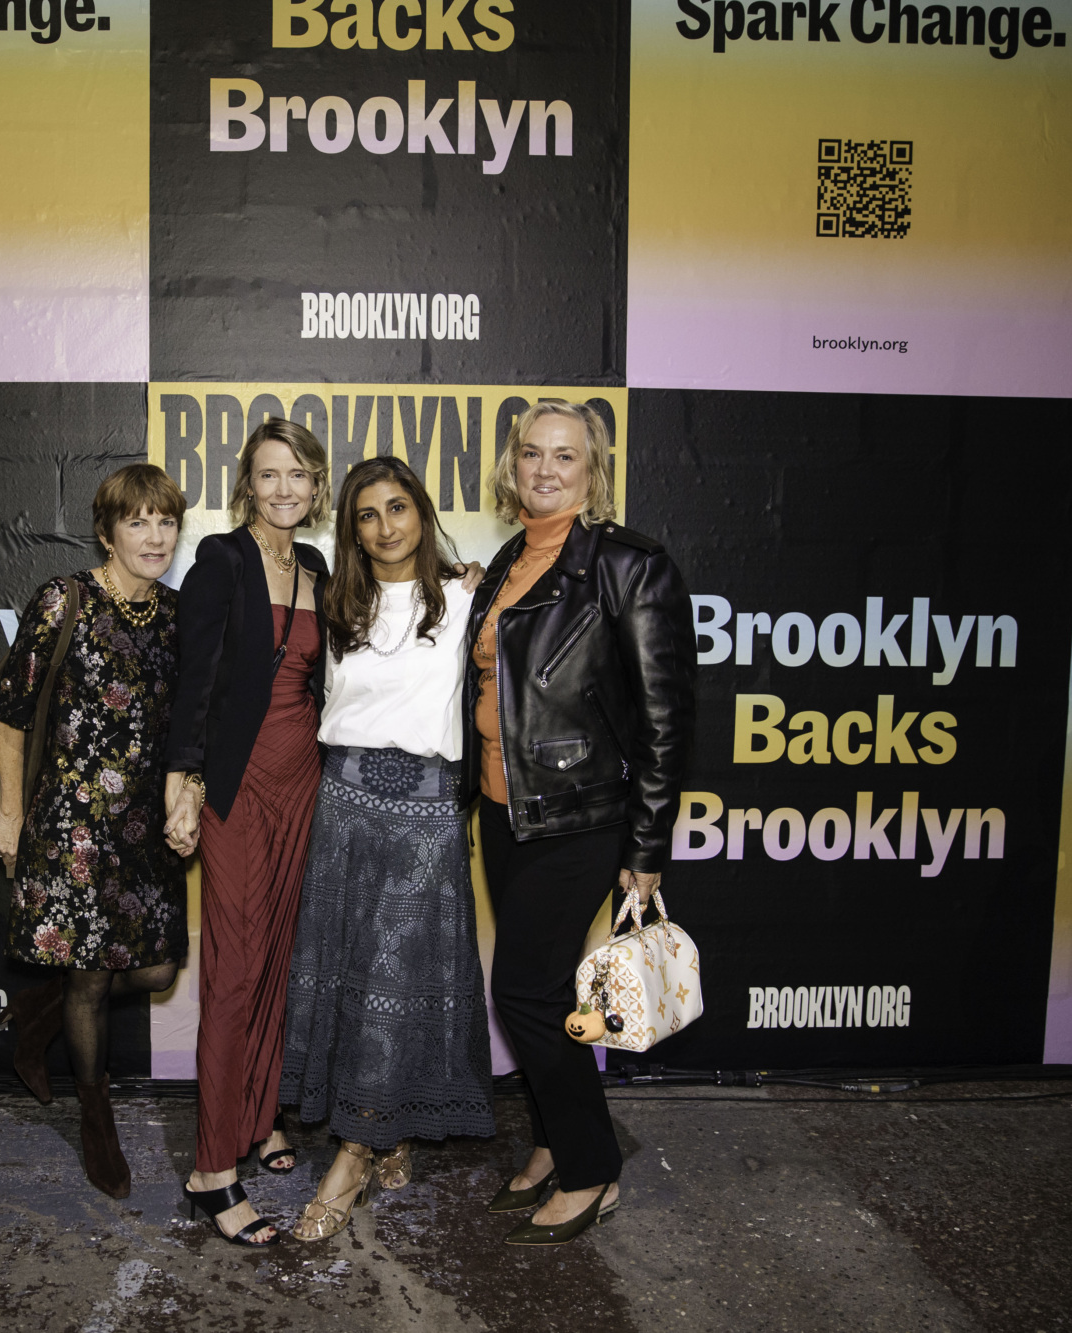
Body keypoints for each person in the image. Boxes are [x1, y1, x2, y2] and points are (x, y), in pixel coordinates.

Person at [464, 401, 695, 1246]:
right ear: (511, 466)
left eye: (566, 456)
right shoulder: (506, 560)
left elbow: (667, 720)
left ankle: (593, 1168)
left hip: (581, 815)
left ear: (593, 470)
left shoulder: (629, 565)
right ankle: (554, 1142)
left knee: (521, 993)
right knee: (543, 987)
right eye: (532, 453)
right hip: (504, 806)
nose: (546, 469)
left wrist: (646, 847)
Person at [280, 456, 495, 1241]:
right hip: (343, 804)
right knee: (354, 980)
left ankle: (351, 1158)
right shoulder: (336, 597)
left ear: (422, 510)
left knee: (391, 981)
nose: (385, 526)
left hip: (427, 814)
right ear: (351, 528)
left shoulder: (470, 594)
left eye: (398, 507)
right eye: (366, 514)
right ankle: (388, 1132)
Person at [0, 463, 187, 1201]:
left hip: (143, 831)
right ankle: (96, 1114)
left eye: (165, 519)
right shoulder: (63, 599)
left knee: (155, 969)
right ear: (106, 531)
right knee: (88, 972)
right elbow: (11, 713)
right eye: (137, 520)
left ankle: (36, 1020)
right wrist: (11, 814)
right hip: (72, 821)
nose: (154, 534)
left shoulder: (174, 615)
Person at [163, 418, 330, 1247]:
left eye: (298, 474)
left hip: (308, 784)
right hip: (238, 788)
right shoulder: (221, 562)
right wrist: (182, 783)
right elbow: (194, 685)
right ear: (247, 485)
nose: (284, 489)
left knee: (279, 963)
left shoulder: (317, 567)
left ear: (316, 484)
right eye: (269, 475)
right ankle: (210, 1169)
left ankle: (259, 1116)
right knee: (233, 968)